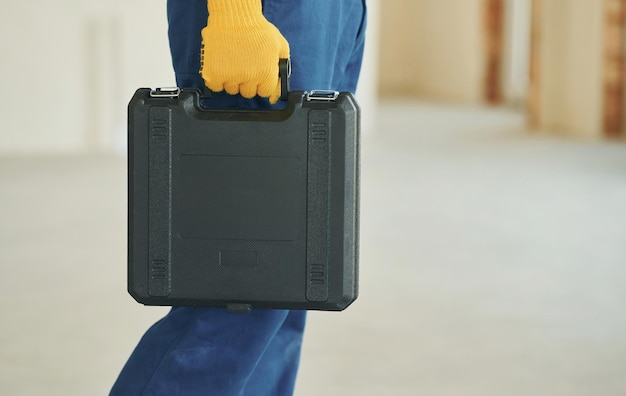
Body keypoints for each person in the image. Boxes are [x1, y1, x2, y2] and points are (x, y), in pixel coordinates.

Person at [110, 0, 366, 394]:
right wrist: (236, 11)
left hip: (335, 12)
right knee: (237, 301)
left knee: (288, 290)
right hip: (271, 11)